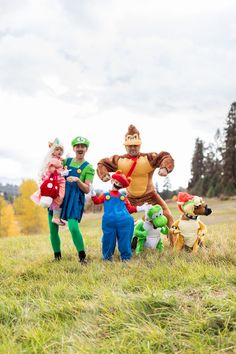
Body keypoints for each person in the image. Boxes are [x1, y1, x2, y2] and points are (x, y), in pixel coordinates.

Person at [96, 124, 175, 236]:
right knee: (119, 219)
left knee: (167, 215)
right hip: (130, 198)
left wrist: (165, 168)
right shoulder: (119, 160)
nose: (133, 148)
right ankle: (128, 241)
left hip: (151, 196)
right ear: (125, 146)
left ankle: (174, 242)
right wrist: (104, 174)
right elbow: (103, 163)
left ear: (140, 145)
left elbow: (165, 156)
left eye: (135, 145)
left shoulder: (149, 158)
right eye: (130, 146)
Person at [48, 136, 95, 263]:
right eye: (77, 146)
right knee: (53, 228)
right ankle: (57, 257)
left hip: (74, 199)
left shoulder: (88, 168)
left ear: (86, 149)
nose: (80, 148)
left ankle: (82, 257)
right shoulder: (65, 162)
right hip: (59, 198)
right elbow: (52, 167)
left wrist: (77, 180)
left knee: (73, 227)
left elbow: (87, 189)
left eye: (83, 146)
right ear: (74, 148)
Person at [91, 170, 149, 261]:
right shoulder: (106, 195)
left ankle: (126, 258)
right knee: (108, 239)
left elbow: (129, 209)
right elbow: (96, 201)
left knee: (125, 239)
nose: (118, 184)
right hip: (109, 221)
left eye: (120, 184)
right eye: (117, 182)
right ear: (112, 181)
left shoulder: (123, 197)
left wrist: (140, 208)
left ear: (122, 186)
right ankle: (107, 257)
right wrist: (92, 193)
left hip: (124, 221)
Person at [31, 138, 66, 225]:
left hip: (58, 181)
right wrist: (62, 173)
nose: (59, 151)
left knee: (58, 197)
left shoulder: (58, 159)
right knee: (59, 196)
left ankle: (56, 216)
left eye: (61, 150)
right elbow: (51, 169)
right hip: (57, 181)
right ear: (52, 151)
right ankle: (55, 217)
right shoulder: (54, 160)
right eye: (57, 149)